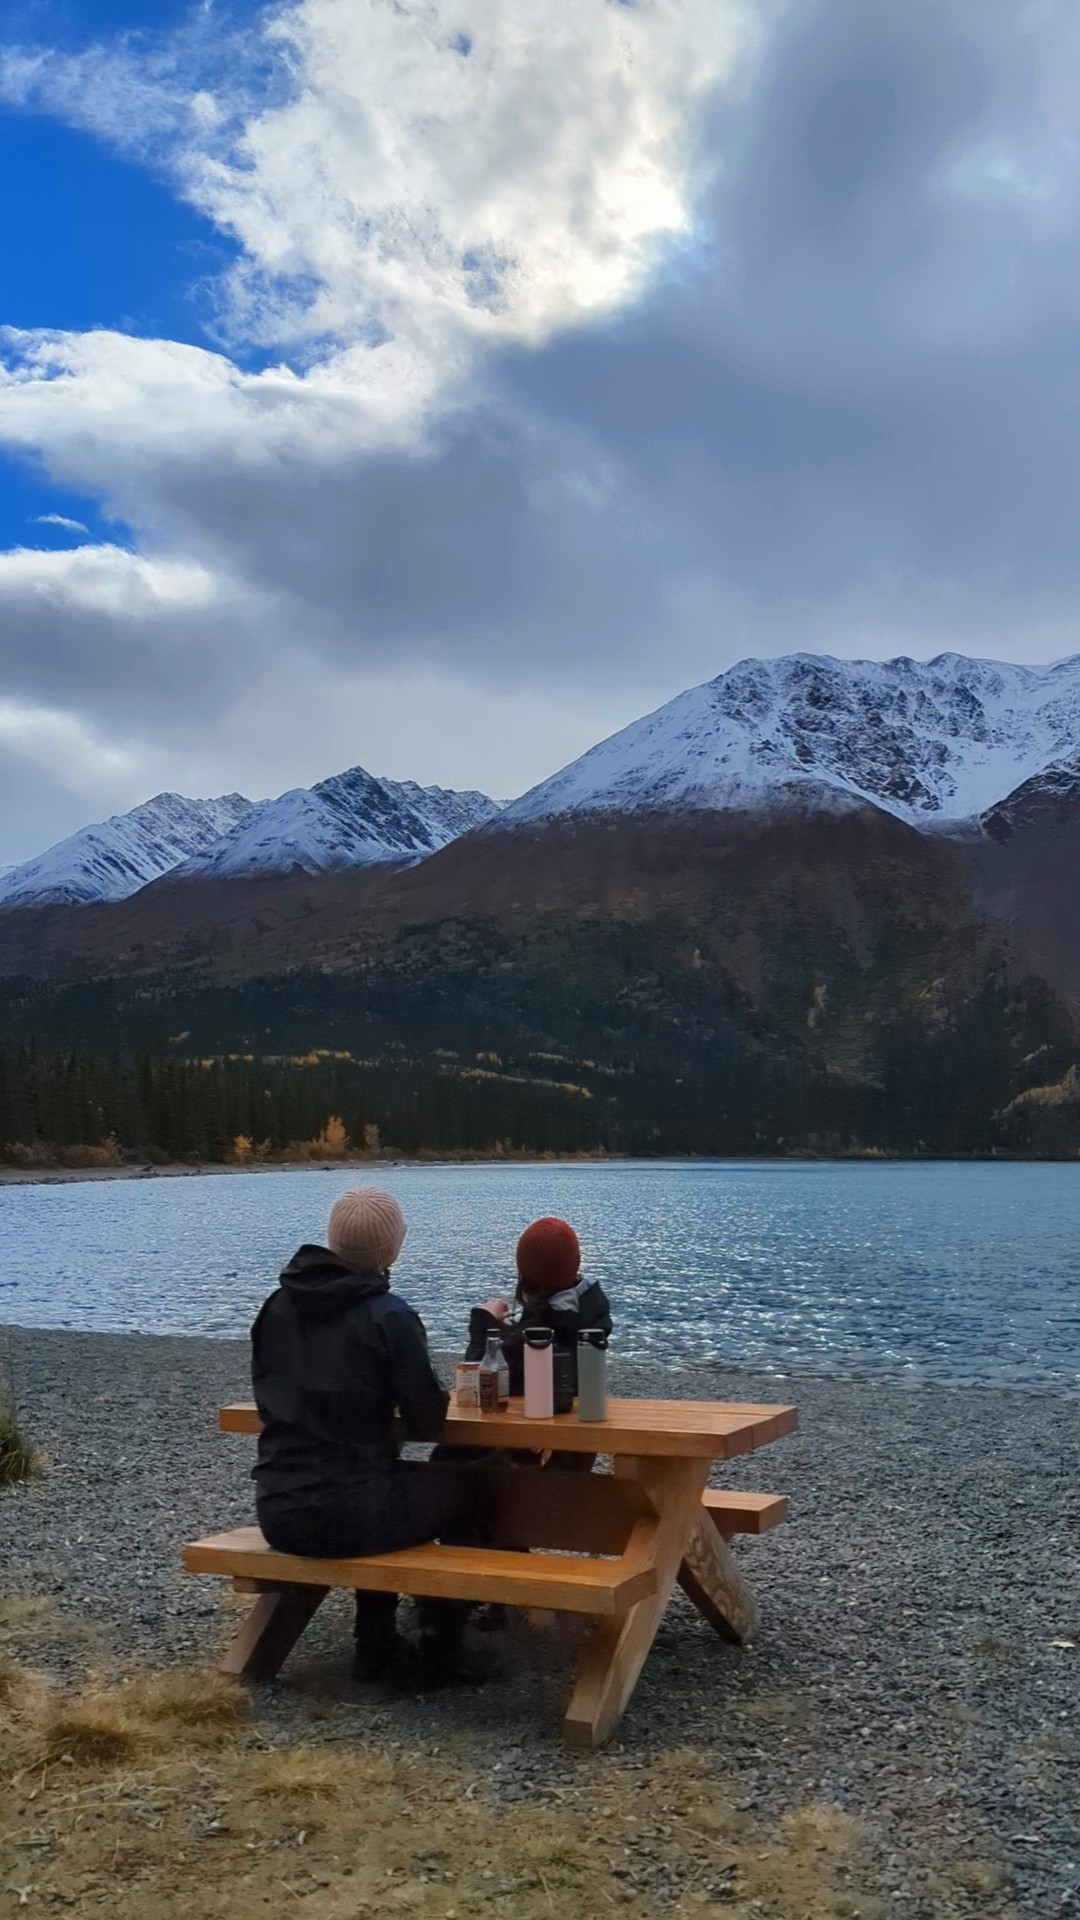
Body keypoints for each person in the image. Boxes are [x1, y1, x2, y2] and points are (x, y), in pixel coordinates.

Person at [250, 1186, 495, 1690]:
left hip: (279, 1509)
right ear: (393, 1249)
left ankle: (377, 1642)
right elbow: (429, 1422)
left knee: (386, 1482)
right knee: (475, 1489)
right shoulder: (389, 1315)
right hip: (350, 1515)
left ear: (331, 1240)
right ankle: (441, 1645)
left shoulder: (276, 1306)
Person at [467, 1216, 612, 1423]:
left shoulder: (535, 1336)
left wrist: (483, 1327)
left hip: (529, 1437)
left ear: (523, 1271)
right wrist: (509, 1332)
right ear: (577, 1262)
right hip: (578, 1432)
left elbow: (478, 1385)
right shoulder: (591, 1312)